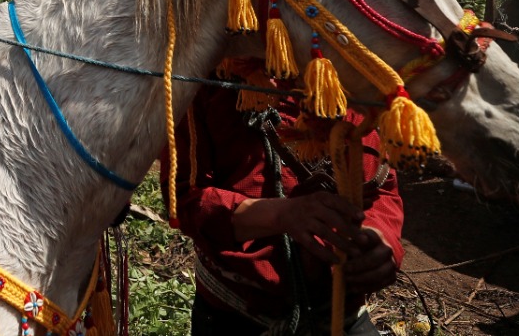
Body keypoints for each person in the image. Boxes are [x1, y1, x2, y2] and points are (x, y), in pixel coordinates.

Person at [170, 59, 404, 336]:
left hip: (342, 314)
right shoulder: (209, 80)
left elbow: (381, 189)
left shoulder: (355, 83)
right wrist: (281, 215)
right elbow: (186, 201)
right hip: (236, 313)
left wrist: (381, 238)